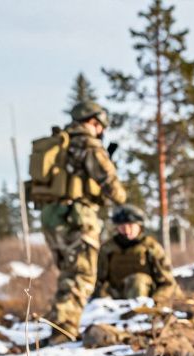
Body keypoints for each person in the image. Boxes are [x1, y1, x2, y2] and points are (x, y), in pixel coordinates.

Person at [38, 101, 127, 342]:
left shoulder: (60, 142)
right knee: (81, 275)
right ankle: (63, 332)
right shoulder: (88, 144)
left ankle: (59, 326)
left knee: (69, 273)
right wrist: (119, 196)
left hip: (50, 215)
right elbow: (113, 187)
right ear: (94, 122)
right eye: (100, 125)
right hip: (77, 216)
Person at [94, 204, 176, 301]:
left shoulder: (151, 247)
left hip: (145, 299)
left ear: (139, 226)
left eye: (131, 225)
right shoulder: (107, 249)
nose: (127, 230)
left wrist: (157, 301)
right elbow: (98, 280)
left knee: (138, 281)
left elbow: (168, 283)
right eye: (122, 226)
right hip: (114, 298)